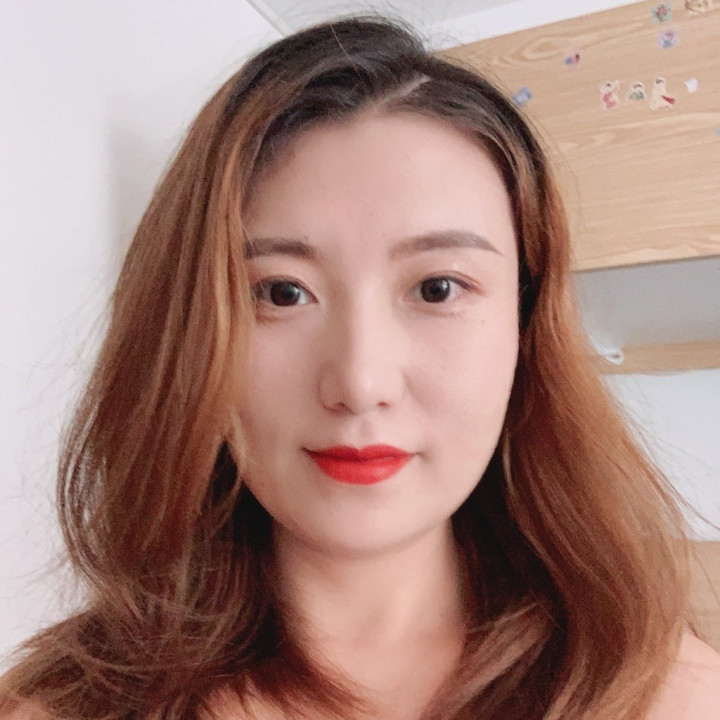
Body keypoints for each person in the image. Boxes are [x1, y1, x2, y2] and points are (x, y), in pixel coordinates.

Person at [1, 14, 719, 720]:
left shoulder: (667, 695)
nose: (359, 383)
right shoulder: (60, 708)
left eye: (437, 288)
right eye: (281, 293)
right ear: (189, 334)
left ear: (524, 326)